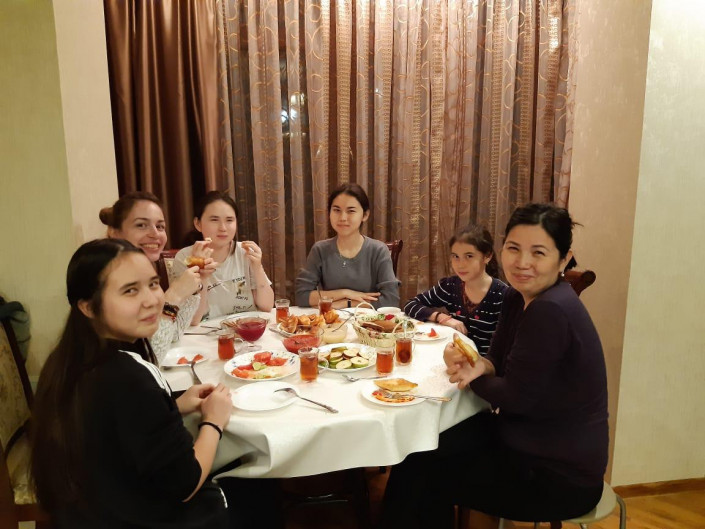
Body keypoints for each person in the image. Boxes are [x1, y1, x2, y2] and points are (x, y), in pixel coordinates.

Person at [381, 204, 608, 528]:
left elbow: (515, 397)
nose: (522, 262)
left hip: (557, 472)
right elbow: (496, 361)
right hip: (522, 438)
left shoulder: (551, 309)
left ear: (563, 258)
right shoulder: (517, 297)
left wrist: (470, 374)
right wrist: (474, 363)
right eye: (514, 248)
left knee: (427, 474)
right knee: (419, 449)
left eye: (538, 252)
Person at [30, 239, 233, 528]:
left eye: (153, 284)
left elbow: (114, 426)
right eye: (130, 291)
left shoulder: (68, 359)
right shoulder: (129, 376)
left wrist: (174, 406)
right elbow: (184, 484)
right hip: (138, 516)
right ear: (88, 306)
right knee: (250, 485)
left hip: (90, 511)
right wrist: (214, 421)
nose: (152, 300)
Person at [100, 192, 215, 363]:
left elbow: (174, 333)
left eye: (160, 226)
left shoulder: (145, 272)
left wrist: (193, 284)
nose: (154, 234)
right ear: (115, 233)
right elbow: (148, 358)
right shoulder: (109, 278)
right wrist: (174, 295)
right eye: (141, 225)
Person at [403, 224, 508, 355]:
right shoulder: (450, 286)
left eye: (469, 256)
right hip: (455, 358)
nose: (460, 265)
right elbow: (410, 304)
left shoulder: (502, 295)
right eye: (455, 256)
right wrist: (441, 317)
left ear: (487, 256)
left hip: (485, 364)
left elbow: (506, 349)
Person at [174, 190, 274, 323]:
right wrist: (202, 275)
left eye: (229, 220)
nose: (223, 228)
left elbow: (267, 306)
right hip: (206, 332)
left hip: (247, 328)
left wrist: (258, 267)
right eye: (214, 220)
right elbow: (193, 320)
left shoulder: (245, 252)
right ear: (198, 224)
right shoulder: (185, 257)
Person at [295, 183, 400, 309]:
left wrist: (346, 303)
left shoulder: (378, 250)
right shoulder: (320, 250)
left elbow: (391, 300)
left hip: (368, 320)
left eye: (351, 211)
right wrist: (345, 293)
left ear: (365, 215)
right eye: (336, 210)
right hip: (331, 319)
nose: (343, 218)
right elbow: (302, 295)